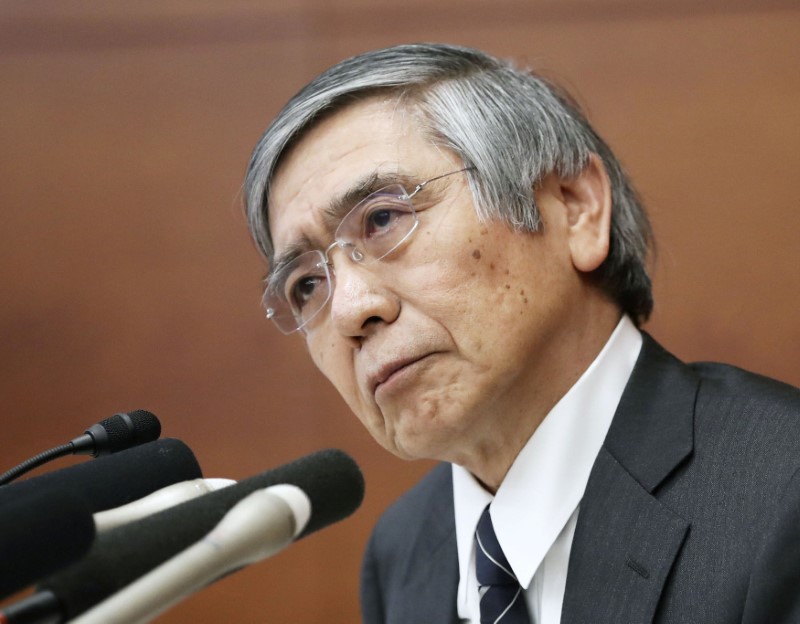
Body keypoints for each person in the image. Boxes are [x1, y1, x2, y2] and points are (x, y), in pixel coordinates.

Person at [243, 43, 800, 623]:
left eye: (384, 218)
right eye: (307, 285)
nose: (350, 311)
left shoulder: (783, 490)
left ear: (574, 209)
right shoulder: (403, 552)